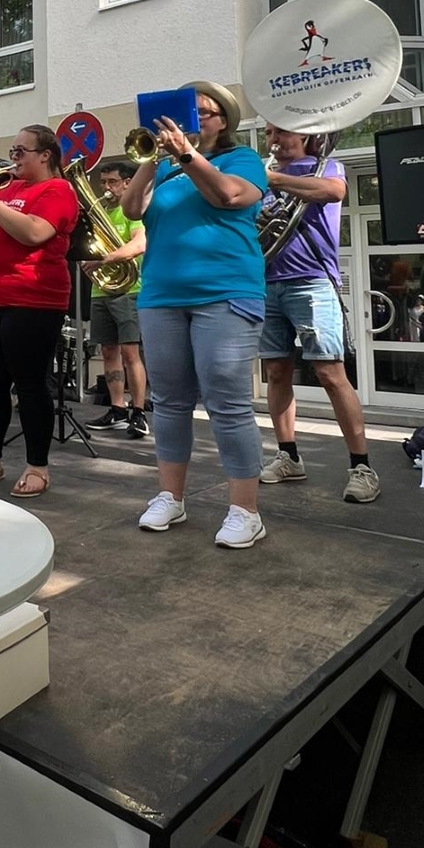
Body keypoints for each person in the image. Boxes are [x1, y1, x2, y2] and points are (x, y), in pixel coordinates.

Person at [121, 83, 270, 549]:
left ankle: (246, 510)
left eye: (203, 113)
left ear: (223, 121)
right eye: (189, 111)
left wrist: (186, 154)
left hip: (226, 292)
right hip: (162, 295)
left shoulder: (241, 159)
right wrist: (152, 159)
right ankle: (171, 496)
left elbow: (228, 196)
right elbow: (131, 209)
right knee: (168, 400)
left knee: (227, 399)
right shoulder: (165, 168)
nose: (192, 119)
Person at [259, 126, 380, 503]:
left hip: (311, 282)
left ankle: (362, 466)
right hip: (265, 281)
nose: (273, 138)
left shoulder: (325, 166)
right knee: (276, 372)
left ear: (304, 136)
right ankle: (288, 456)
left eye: (281, 131)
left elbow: (333, 192)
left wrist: (273, 179)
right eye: (268, 131)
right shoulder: (260, 171)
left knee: (330, 373)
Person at [0, 126, 79, 498]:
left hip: (35, 300)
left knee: (30, 385)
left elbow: (34, 233)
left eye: (20, 151)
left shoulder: (58, 190)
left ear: (45, 155)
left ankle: (37, 466)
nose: (13, 158)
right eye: (12, 151)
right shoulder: (9, 189)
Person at [81, 161, 150, 439]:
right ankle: (117, 409)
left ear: (127, 183)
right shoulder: (99, 213)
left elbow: (139, 243)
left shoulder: (131, 209)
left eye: (112, 182)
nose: (106, 188)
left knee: (131, 353)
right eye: (103, 182)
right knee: (108, 352)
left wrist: (104, 260)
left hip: (130, 289)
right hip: (101, 290)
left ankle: (139, 411)